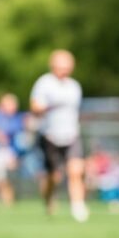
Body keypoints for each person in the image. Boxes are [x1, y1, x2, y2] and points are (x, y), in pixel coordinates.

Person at [30, 49, 88, 221]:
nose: (64, 70)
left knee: (75, 170)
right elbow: (34, 107)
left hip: (71, 134)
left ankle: (78, 207)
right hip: (50, 135)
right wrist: (43, 107)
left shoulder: (74, 86)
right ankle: (48, 199)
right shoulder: (44, 83)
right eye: (60, 66)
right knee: (54, 177)